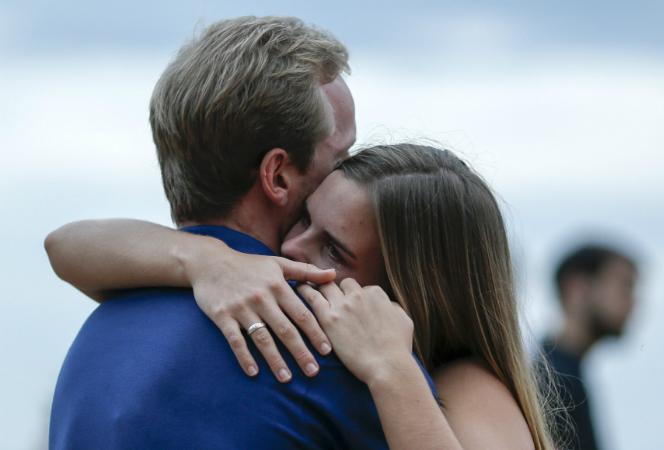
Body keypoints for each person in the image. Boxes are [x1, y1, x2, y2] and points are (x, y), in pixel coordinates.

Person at [47, 16, 412, 450]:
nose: (347, 174)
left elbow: (61, 244)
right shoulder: (334, 345)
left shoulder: (99, 335)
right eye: (341, 157)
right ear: (277, 175)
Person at [48, 144, 558, 449]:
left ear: (411, 290)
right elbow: (66, 246)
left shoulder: (470, 386)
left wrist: (391, 370)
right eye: (305, 219)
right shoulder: (266, 288)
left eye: (333, 249)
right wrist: (209, 261)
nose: (292, 248)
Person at [543, 244, 638, 450]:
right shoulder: (554, 382)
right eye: (625, 286)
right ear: (578, 288)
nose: (634, 302)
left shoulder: (562, 371)